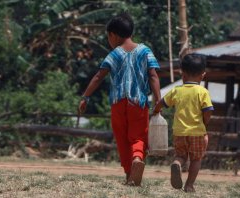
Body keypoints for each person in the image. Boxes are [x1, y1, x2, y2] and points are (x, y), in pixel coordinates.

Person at [78, 13, 161, 186]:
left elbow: (99, 76)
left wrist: (85, 97)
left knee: (122, 139)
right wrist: (158, 101)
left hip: (118, 103)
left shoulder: (114, 54)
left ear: (113, 35)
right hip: (138, 102)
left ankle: (129, 174)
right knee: (138, 136)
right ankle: (137, 158)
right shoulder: (145, 51)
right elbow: (153, 76)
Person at [153, 54, 214, 192]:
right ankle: (189, 185)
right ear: (202, 75)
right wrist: (205, 123)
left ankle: (176, 163)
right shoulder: (203, 92)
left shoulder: (177, 90)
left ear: (183, 75)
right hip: (197, 132)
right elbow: (208, 111)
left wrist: (155, 111)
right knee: (196, 159)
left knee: (181, 156)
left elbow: (161, 103)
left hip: (179, 132)